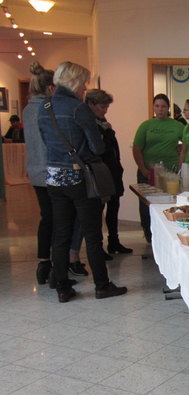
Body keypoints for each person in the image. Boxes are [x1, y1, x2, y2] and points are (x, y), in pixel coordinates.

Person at [38, 61, 127, 302]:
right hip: (79, 177)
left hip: (54, 178)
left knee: (61, 233)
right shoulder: (79, 109)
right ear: (76, 82)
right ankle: (102, 285)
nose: (84, 88)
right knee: (92, 233)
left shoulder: (44, 107)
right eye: (84, 83)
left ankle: (62, 287)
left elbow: (46, 141)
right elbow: (96, 147)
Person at [23, 61, 81, 288]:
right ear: (51, 88)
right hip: (54, 170)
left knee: (47, 218)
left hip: (35, 171)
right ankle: (59, 270)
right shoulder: (48, 108)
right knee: (62, 221)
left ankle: (44, 263)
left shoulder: (28, 109)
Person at [85, 88, 132, 256]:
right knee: (98, 211)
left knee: (114, 207)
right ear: (91, 104)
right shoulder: (89, 124)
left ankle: (114, 241)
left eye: (107, 107)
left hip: (112, 171)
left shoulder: (104, 123)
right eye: (102, 106)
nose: (105, 110)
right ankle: (98, 247)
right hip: (99, 172)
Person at [132, 93, 183, 242]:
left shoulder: (177, 126)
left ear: (168, 108)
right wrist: (142, 168)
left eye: (163, 106)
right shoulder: (146, 125)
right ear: (154, 107)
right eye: (157, 106)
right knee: (146, 205)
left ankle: (166, 235)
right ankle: (148, 234)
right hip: (147, 172)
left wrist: (180, 150)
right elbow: (137, 148)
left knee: (168, 203)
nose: (160, 109)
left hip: (169, 173)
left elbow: (187, 145)